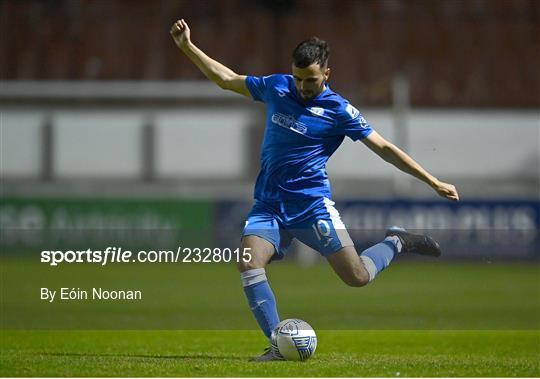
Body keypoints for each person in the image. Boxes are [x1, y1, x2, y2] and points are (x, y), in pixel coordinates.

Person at [170, 19, 459, 361]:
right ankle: (278, 345)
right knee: (248, 262)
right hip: (269, 205)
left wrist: (431, 180)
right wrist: (188, 46)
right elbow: (226, 79)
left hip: (312, 207)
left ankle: (397, 240)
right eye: (298, 78)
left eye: (311, 80)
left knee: (358, 277)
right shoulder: (277, 87)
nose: (303, 86)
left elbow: (383, 147)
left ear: (327, 74)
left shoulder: (339, 110)